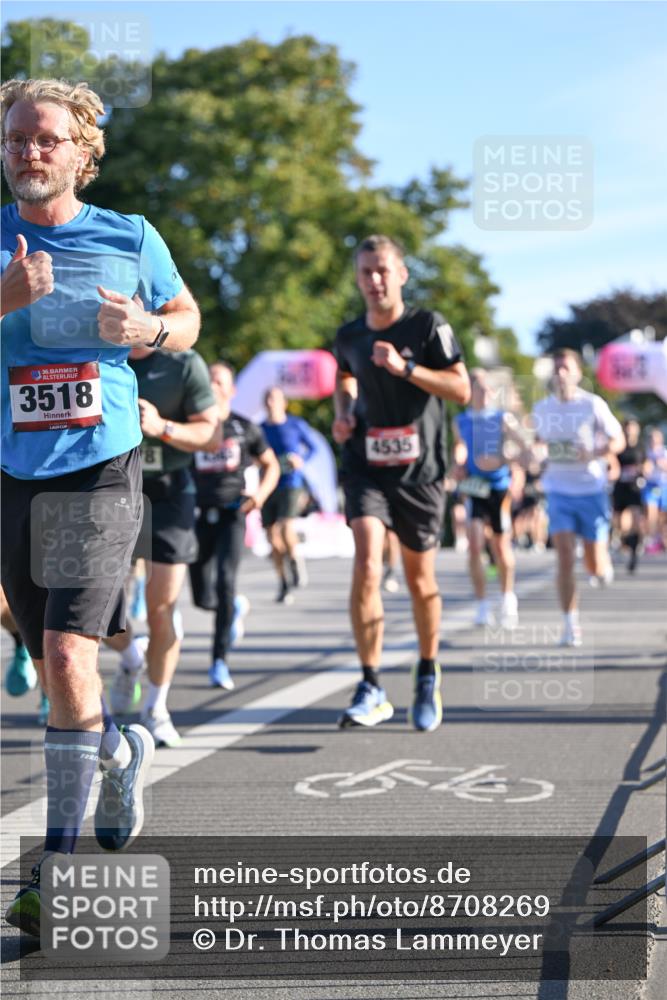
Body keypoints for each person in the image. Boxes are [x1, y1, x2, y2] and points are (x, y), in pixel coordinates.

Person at [1, 77, 201, 937]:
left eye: (46, 139)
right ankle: (119, 751)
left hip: (101, 462)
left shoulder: (131, 236)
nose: (28, 152)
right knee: (53, 671)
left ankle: (55, 869)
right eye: (15, 139)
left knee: (68, 651)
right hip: (15, 468)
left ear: (84, 151)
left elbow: (188, 317)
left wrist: (149, 333)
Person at [332, 234, 470, 732]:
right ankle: (370, 684)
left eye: (383, 270)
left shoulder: (428, 326)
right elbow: (344, 378)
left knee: (419, 580)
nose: (375, 280)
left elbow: (461, 388)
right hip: (366, 464)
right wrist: (344, 414)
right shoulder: (349, 335)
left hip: (422, 472)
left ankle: (428, 671)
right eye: (366, 271)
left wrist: (407, 367)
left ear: (402, 274)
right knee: (368, 562)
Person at [106, 344, 218, 747]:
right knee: (100, 609)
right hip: (110, 488)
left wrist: (162, 427)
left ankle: (156, 707)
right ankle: (133, 658)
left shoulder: (183, 363)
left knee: (161, 608)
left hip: (168, 493)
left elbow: (211, 434)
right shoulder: (92, 350)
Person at [189, 361, 280, 689]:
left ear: (231, 390)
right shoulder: (194, 426)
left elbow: (272, 465)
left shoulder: (244, 427)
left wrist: (260, 496)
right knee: (202, 596)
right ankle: (233, 608)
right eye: (209, 378)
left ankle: (219, 662)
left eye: (220, 380)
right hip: (199, 515)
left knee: (226, 580)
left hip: (233, 514)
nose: (213, 384)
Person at [531, 349, 624, 647]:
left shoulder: (592, 404)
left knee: (594, 565)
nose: (559, 373)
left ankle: (602, 565)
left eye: (565, 368)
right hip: (558, 490)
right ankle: (571, 625)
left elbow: (618, 440)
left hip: (591, 489)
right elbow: (536, 446)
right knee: (565, 557)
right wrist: (532, 456)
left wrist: (595, 453)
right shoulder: (542, 409)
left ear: (578, 373)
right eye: (556, 368)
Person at [453, 368, 525, 628]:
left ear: (492, 392)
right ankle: (482, 604)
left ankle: (508, 599)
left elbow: (522, 445)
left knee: (500, 545)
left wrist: (506, 457)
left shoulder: (501, 418)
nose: (482, 393)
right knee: (474, 544)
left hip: (498, 487)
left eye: (486, 388)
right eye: (477, 388)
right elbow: (460, 447)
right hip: (475, 485)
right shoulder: (461, 420)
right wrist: (458, 463)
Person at [261, 386, 318, 603]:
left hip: (291, 483)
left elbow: (313, 448)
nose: (270, 403)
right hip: (269, 485)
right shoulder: (260, 429)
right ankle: (283, 582)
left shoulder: (295, 425)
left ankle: (295, 558)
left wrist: (301, 460)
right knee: (272, 539)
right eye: (267, 398)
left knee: (285, 526)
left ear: (283, 403)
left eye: (274, 398)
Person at [611, 418, 645, 572]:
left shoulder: (640, 446)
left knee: (636, 518)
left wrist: (642, 471)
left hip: (635, 487)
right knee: (621, 523)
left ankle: (634, 548)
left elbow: (646, 464)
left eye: (633, 427)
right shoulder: (619, 445)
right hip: (620, 487)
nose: (630, 430)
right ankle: (625, 542)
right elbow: (611, 463)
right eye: (628, 427)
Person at [642, 427, 667, 554]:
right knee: (651, 513)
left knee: (663, 515)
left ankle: (661, 538)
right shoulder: (646, 453)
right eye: (652, 438)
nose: (654, 440)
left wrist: (661, 464)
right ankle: (651, 539)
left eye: (656, 437)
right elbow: (645, 471)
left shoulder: (664, 452)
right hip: (651, 486)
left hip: (663, 485)